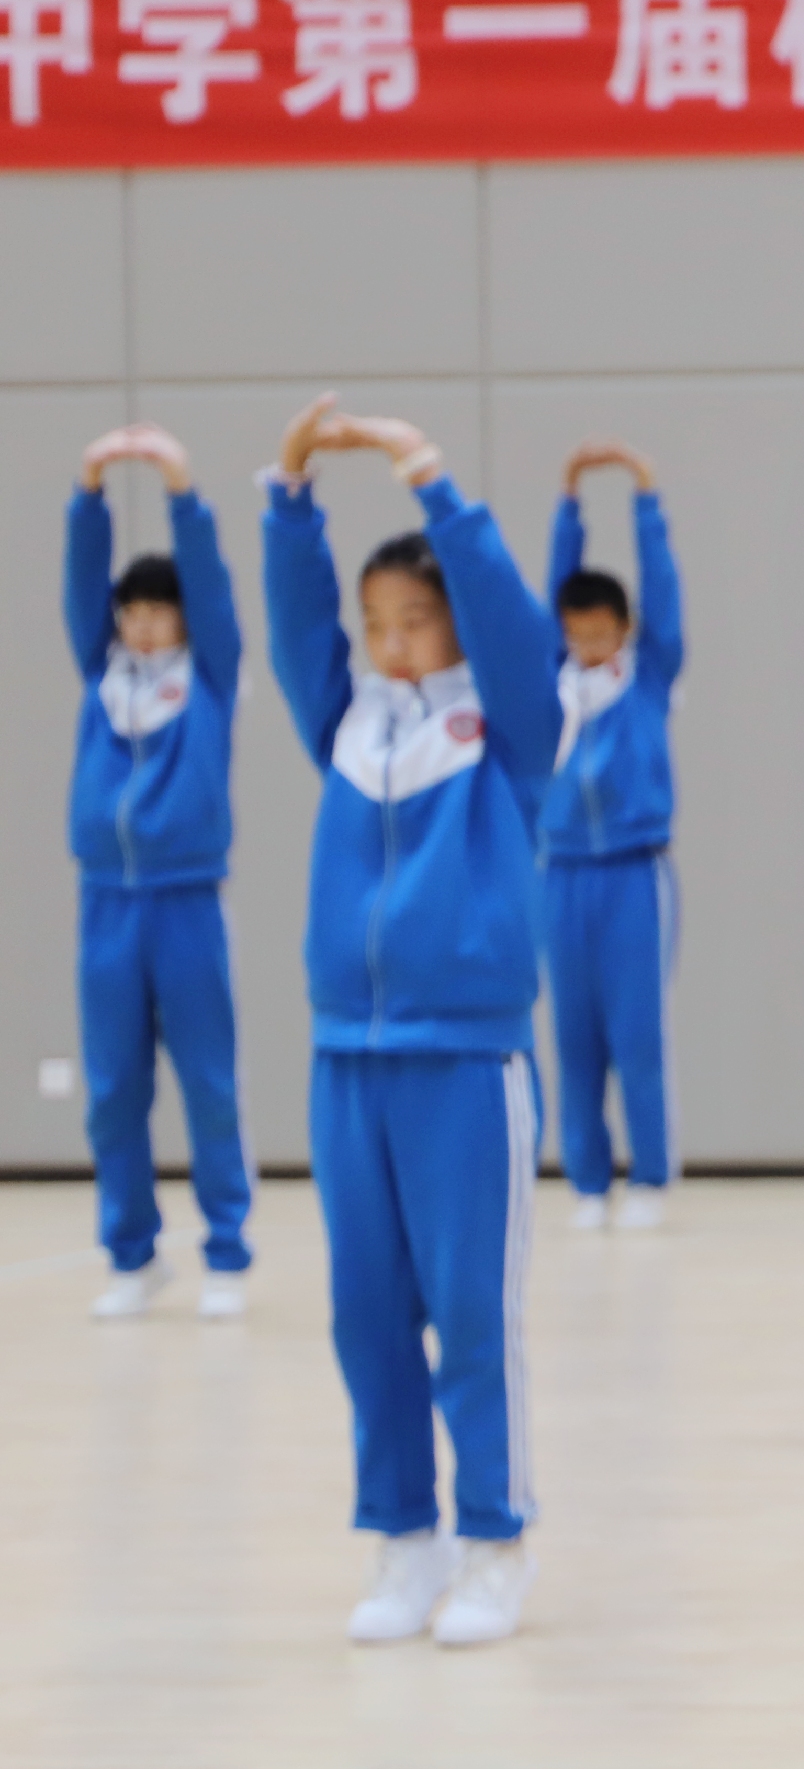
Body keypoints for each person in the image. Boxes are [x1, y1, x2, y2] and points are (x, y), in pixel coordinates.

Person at [261, 395, 558, 1649]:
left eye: (412, 621)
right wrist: (289, 501)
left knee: (469, 1313)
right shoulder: (347, 726)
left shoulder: (506, 734)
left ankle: (494, 1540)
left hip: (464, 1063)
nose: (388, 644)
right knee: (364, 1311)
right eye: (375, 625)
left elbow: (511, 629)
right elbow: (292, 631)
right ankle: (404, 1537)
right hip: (348, 1061)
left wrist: (440, 491)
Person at [67, 423, 252, 1321]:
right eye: (129, 610)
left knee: (208, 1082)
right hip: (105, 904)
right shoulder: (102, 678)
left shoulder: (210, 678)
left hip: (185, 903)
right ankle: (132, 1254)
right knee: (112, 1091)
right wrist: (87, 493)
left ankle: (227, 1248)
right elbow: (77, 588)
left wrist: (182, 491)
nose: (142, 624)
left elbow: (213, 591)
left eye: (158, 610)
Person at [539, 440, 684, 1233]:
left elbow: (663, 598)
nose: (591, 644)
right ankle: (588, 1179)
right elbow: (542, 599)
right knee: (575, 1034)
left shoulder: (648, 675)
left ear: (622, 629)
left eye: (603, 632)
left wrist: (644, 497)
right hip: (561, 874)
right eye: (578, 632)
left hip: (635, 873)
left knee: (637, 1032)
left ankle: (652, 1177)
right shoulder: (550, 681)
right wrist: (567, 504)